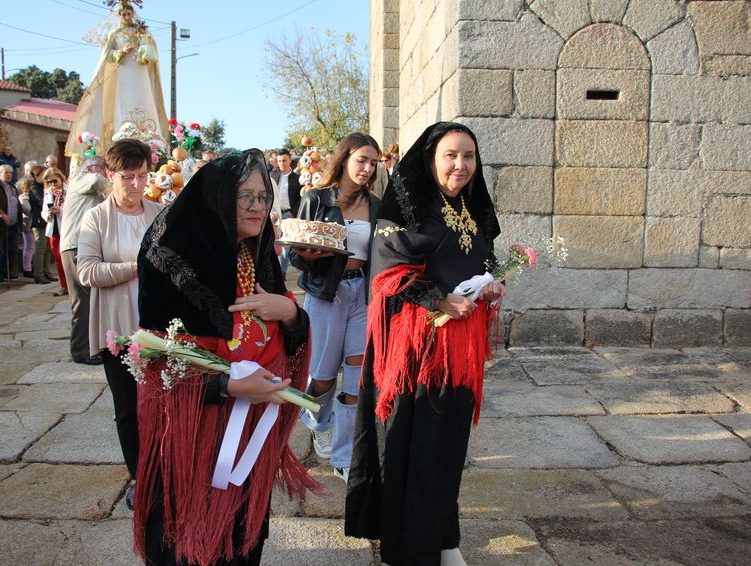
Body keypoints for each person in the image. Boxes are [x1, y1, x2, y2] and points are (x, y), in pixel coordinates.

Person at [134, 149, 316, 565]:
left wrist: (290, 313)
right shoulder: (171, 259)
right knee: (187, 535)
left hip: (250, 428)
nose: (257, 206)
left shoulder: (257, 253)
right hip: (195, 432)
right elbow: (156, 366)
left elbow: (288, 334)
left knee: (241, 534)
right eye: (244, 196)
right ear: (217, 198)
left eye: (263, 196)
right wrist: (228, 386)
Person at [345, 122, 505, 566]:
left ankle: (442, 537)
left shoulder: (473, 209)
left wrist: (490, 288)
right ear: (432, 158)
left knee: (449, 449)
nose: (461, 165)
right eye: (451, 155)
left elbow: (481, 264)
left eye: (469, 156)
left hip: (461, 354)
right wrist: (439, 299)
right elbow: (388, 274)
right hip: (417, 354)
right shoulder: (406, 210)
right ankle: (412, 548)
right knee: (416, 447)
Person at [287, 132, 381, 481]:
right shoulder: (316, 198)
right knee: (323, 376)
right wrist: (306, 255)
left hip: (363, 294)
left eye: (373, 162)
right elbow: (296, 252)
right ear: (345, 159)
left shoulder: (376, 205)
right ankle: (316, 421)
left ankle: (344, 455)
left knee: (356, 374)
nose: (367, 168)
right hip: (327, 292)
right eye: (362, 160)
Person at [77, 139, 164, 507]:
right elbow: (86, 271)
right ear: (110, 175)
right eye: (127, 177)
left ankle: (164, 469)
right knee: (127, 406)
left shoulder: (159, 213)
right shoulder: (96, 217)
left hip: (158, 325)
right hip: (117, 326)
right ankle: (139, 476)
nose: (135, 184)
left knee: (160, 402)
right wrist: (134, 268)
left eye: (142, 175)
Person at [66, 0, 167, 158]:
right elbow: (108, 56)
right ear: (119, 16)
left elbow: (151, 49)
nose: (126, 17)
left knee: (144, 100)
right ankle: (122, 136)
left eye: (129, 14)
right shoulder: (115, 34)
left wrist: (142, 51)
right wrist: (121, 52)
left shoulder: (141, 32)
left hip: (140, 73)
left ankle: (151, 140)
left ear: (133, 14)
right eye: (124, 14)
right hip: (123, 73)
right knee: (123, 104)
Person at [60, 156, 109, 365]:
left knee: (91, 300)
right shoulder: (83, 180)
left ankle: (92, 346)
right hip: (75, 246)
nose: (106, 172)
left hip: (85, 244)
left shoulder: (91, 184)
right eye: (103, 168)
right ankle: (80, 351)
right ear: (90, 168)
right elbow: (98, 182)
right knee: (82, 300)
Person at [42, 167, 69, 296]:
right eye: (49, 182)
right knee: (58, 258)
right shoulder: (48, 192)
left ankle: (72, 284)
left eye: (54, 181)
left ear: (60, 178)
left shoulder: (69, 191)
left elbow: (74, 209)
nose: (52, 184)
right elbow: (43, 211)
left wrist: (60, 210)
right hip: (53, 228)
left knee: (67, 258)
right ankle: (64, 285)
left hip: (66, 227)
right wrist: (48, 214)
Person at [27, 165, 55, 284]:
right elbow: (41, 201)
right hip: (38, 222)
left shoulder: (45, 187)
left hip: (47, 221)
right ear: (36, 176)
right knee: (40, 248)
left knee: (48, 249)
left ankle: (46, 271)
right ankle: (38, 274)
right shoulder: (34, 188)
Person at [16, 177, 35, 278]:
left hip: (35, 224)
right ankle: (27, 268)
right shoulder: (23, 197)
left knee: (35, 247)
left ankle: (32, 265)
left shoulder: (33, 196)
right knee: (29, 247)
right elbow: (28, 209)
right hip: (28, 225)